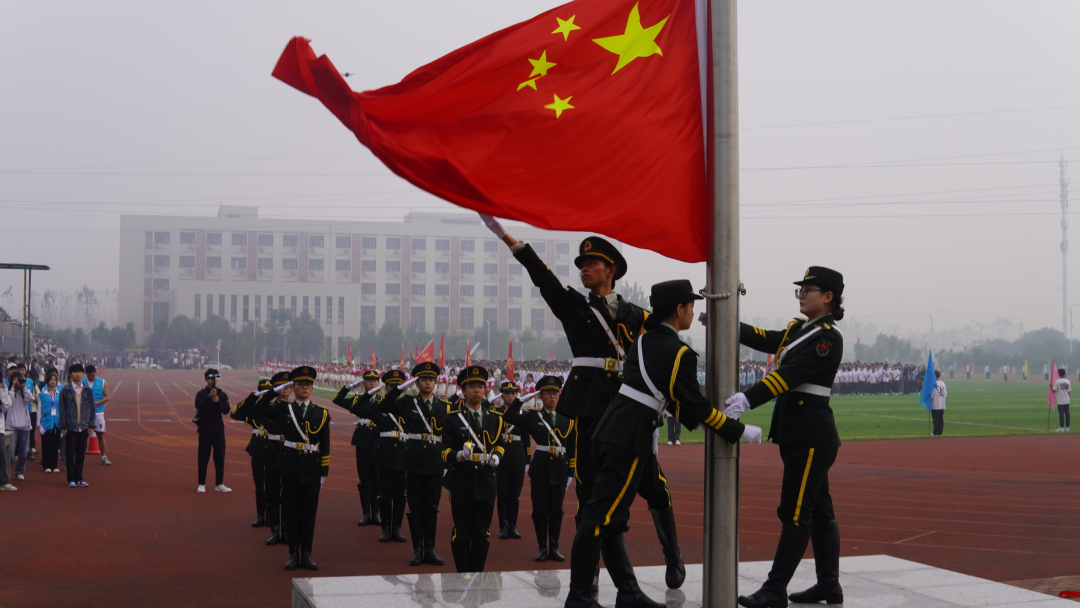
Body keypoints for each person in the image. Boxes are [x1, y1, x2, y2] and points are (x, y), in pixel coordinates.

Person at [483, 217, 686, 587]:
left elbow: (661, 355)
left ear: (611, 270)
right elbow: (543, 278)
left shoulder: (639, 316)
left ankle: (673, 553)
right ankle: (589, 572)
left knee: (653, 483)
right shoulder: (575, 307)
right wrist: (507, 238)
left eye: (592, 263)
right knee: (590, 491)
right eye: (581, 264)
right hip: (590, 408)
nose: (584, 269)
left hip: (628, 408)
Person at [566, 280, 756, 608]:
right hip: (629, 437)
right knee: (598, 518)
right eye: (691, 306)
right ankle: (580, 597)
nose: (692, 312)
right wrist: (737, 430)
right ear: (680, 309)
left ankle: (629, 593)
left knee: (610, 515)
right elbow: (694, 406)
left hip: (610, 428)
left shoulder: (641, 341)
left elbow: (671, 399)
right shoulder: (680, 352)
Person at [727, 267, 846, 608]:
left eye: (808, 290)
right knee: (819, 512)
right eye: (800, 290)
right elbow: (765, 338)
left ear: (828, 297)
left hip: (810, 437)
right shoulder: (798, 329)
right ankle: (829, 585)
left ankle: (774, 588)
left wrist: (748, 398)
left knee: (795, 513)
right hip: (799, 434)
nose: (801, 295)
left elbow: (790, 375)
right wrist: (725, 323)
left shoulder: (828, 338)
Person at [252, 365, 331, 570]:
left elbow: (325, 445)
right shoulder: (283, 409)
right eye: (300, 384)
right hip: (289, 466)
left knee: (309, 513)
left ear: (312, 388)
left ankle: (307, 553)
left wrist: (324, 472)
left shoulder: (321, 413)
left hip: (311, 468)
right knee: (291, 512)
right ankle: (293, 554)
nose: (305, 387)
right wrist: (274, 391)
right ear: (293, 387)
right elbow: (256, 408)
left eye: (308, 384)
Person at [377, 362, 451, 566]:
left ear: (435, 383)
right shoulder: (407, 403)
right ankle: (417, 549)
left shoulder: (444, 406)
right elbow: (383, 405)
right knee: (416, 507)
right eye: (423, 379)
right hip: (414, 460)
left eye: (431, 379)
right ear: (416, 383)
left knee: (432, 507)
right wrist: (401, 388)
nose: (428, 382)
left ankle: (431, 548)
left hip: (435, 461)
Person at [502, 375, 575, 563]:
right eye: (547, 393)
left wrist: (571, 472)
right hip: (541, 469)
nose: (552, 396)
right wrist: (521, 400)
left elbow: (572, 448)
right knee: (540, 510)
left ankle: (554, 547)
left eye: (555, 393)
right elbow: (508, 416)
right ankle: (542, 547)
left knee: (556, 511)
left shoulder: (567, 419)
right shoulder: (533, 416)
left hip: (559, 469)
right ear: (540, 396)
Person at [442, 365, 507, 573]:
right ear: (463, 390)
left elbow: (500, 444)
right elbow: (444, 451)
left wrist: (497, 456)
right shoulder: (452, 418)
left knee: (482, 531)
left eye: (480, 386)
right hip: (461, 481)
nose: (477, 390)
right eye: (471, 386)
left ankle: (477, 574)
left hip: (486, 481)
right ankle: (463, 575)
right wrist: (459, 455)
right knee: (461, 531)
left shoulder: (496, 418)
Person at [349, 370, 409, 543]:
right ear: (386, 388)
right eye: (391, 386)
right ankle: (386, 528)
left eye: (398, 386)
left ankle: (397, 528)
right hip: (384, 453)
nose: (395, 389)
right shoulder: (378, 406)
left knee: (400, 494)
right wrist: (370, 393)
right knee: (385, 493)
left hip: (403, 453)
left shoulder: (409, 406)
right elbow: (356, 408)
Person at [242, 371, 293, 545]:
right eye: (280, 387)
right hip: (271, 451)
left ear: (292, 389)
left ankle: (285, 531)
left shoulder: (296, 409)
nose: (284, 390)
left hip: (288, 451)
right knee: (271, 492)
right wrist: (269, 393)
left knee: (287, 494)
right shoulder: (268, 408)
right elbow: (246, 409)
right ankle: (274, 531)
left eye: (287, 386)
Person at [332, 370, 382, 527]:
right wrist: (350, 386)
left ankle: (376, 513)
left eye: (375, 380)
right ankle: (366, 513)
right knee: (364, 477)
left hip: (379, 441)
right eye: (368, 380)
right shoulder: (357, 399)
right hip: (362, 441)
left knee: (377, 478)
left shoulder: (383, 400)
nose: (372, 383)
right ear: (363, 383)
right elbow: (337, 400)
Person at [491, 379, 530, 542]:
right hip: (500, 456)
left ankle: (513, 525)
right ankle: (503, 526)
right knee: (502, 494)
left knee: (515, 494)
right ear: (502, 395)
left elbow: (526, 438)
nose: (510, 396)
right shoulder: (495, 412)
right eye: (507, 393)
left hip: (518, 456)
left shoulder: (524, 414)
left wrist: (528, 460)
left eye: (513, 393)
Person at [231, 378, 273, 527]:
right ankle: (260, 515)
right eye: (262, 391)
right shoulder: (253, 410)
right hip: (257, 448)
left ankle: (271, 515)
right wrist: (252, 397)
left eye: (268, 392)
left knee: (272, 485)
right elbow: (235, 413)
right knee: (259, 484)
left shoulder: (275, 409)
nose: (265, 394)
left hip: (272, 448)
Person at [194, 368, 231, 493]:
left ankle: (219, 483)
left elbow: (226, 410)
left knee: (219, 458)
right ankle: (201, 483)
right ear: (205, 379)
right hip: (204, 430)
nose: (212, 381)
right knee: (203, 458)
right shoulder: (201, 393)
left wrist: (218, 401)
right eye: (210, 378)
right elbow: (198, 405)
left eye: (214, 378)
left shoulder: (222, 395)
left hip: (218, 431)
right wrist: (209, 397)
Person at [58, 363, 96, 487]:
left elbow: (91, 408)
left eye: (80, 372)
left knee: (81, 454)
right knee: (70, 454)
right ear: (70, 374)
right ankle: (71, 479)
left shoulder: (88, 390)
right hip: (70, 427)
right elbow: (62, 409)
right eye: (75, 372)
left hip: (84, 426)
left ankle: (79, 478)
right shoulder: (65, 390)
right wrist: (63, 426)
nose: (78, 374)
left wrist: (91, 424)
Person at [7, 366, 35, 481]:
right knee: (10, 453)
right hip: (12, 426)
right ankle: (6, 472)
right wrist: (13, 387)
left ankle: (19, 471)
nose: (17, 382)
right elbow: (8, 402)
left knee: (23, 453)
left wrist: (23, 387)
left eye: (19, 379)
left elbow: (31, 399)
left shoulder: (24, 392)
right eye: (15, 380)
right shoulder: (9, 392)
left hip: (24, 425)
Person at [84, 365, 112, 465]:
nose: (91, 377)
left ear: (95, 373)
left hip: (98, 412)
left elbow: (107, 397)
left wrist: (97, 403)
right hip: (85, 413)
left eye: (93, 375)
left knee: (100, 435)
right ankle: (81, 457)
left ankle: (104, 456)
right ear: (86, 374)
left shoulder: (102, 382)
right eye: (89, 376)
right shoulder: (82, 383)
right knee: (83, 435)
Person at [37, 371, 63, 473]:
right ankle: (46, 465)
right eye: (51, 380)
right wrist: (38, 423)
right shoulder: (42, 395)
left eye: (54, 380)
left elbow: (61, 408)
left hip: (56, 421)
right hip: (46, 421)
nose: (53, 381)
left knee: (55, 444)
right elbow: (39, 408)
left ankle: (54, 465)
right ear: (47, 381)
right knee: (46, 444)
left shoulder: (59, 394)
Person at [0, 367, 13, 491]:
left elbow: (7, 406)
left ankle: (4, 481)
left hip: (0, 428)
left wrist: (4, 389)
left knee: (2, 455)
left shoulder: (2, 390)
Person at [1054, 368, 1071, 432]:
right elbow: (1069, 391)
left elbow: (1054, 390)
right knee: (1067, 414)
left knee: (1061, 414)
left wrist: (1051, 387)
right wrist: (1067, 397)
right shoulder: (1067, 381)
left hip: (1060, 400)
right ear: (1064, 374)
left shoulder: (1057, 381)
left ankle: (1061, 427)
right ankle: (1067, 427)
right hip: (1067, 400)